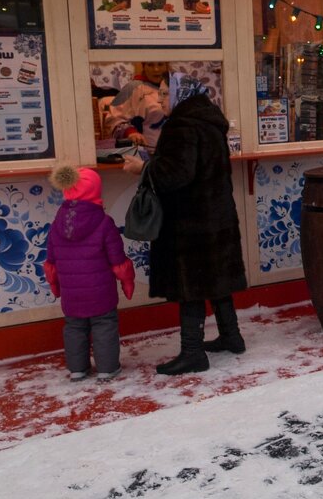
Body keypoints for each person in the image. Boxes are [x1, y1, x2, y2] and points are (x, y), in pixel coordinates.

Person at [122, 74, 247, 374]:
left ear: (182, 95)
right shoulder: (207, 122)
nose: (160, 100)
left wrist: (144, 167)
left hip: (190, 222)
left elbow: (177, 174)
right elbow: (194, 164)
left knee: (190, 284)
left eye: (165, 94)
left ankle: (193, 352)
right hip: (214, 215)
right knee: (215, 278)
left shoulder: (182, 126)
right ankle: (232, 336)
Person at [44, 165, 135, 381]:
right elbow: (117, 260)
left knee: (74, 328)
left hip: (71, 293)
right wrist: (127, 282)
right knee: (104, 326)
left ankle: (77, 369)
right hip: (101, 292)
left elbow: (51, 262)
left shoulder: (57, 225)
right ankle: (107, 368)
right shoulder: (104, 223)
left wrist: (56, 287)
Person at [104, 61, 170, 150]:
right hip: (146, 152)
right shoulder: (132, 88)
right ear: (143, 66)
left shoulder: (177, 87)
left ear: (167, 66)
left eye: (160, 64)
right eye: (150, 65)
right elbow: (113, 118)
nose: (156, 69)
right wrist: (131, 132)